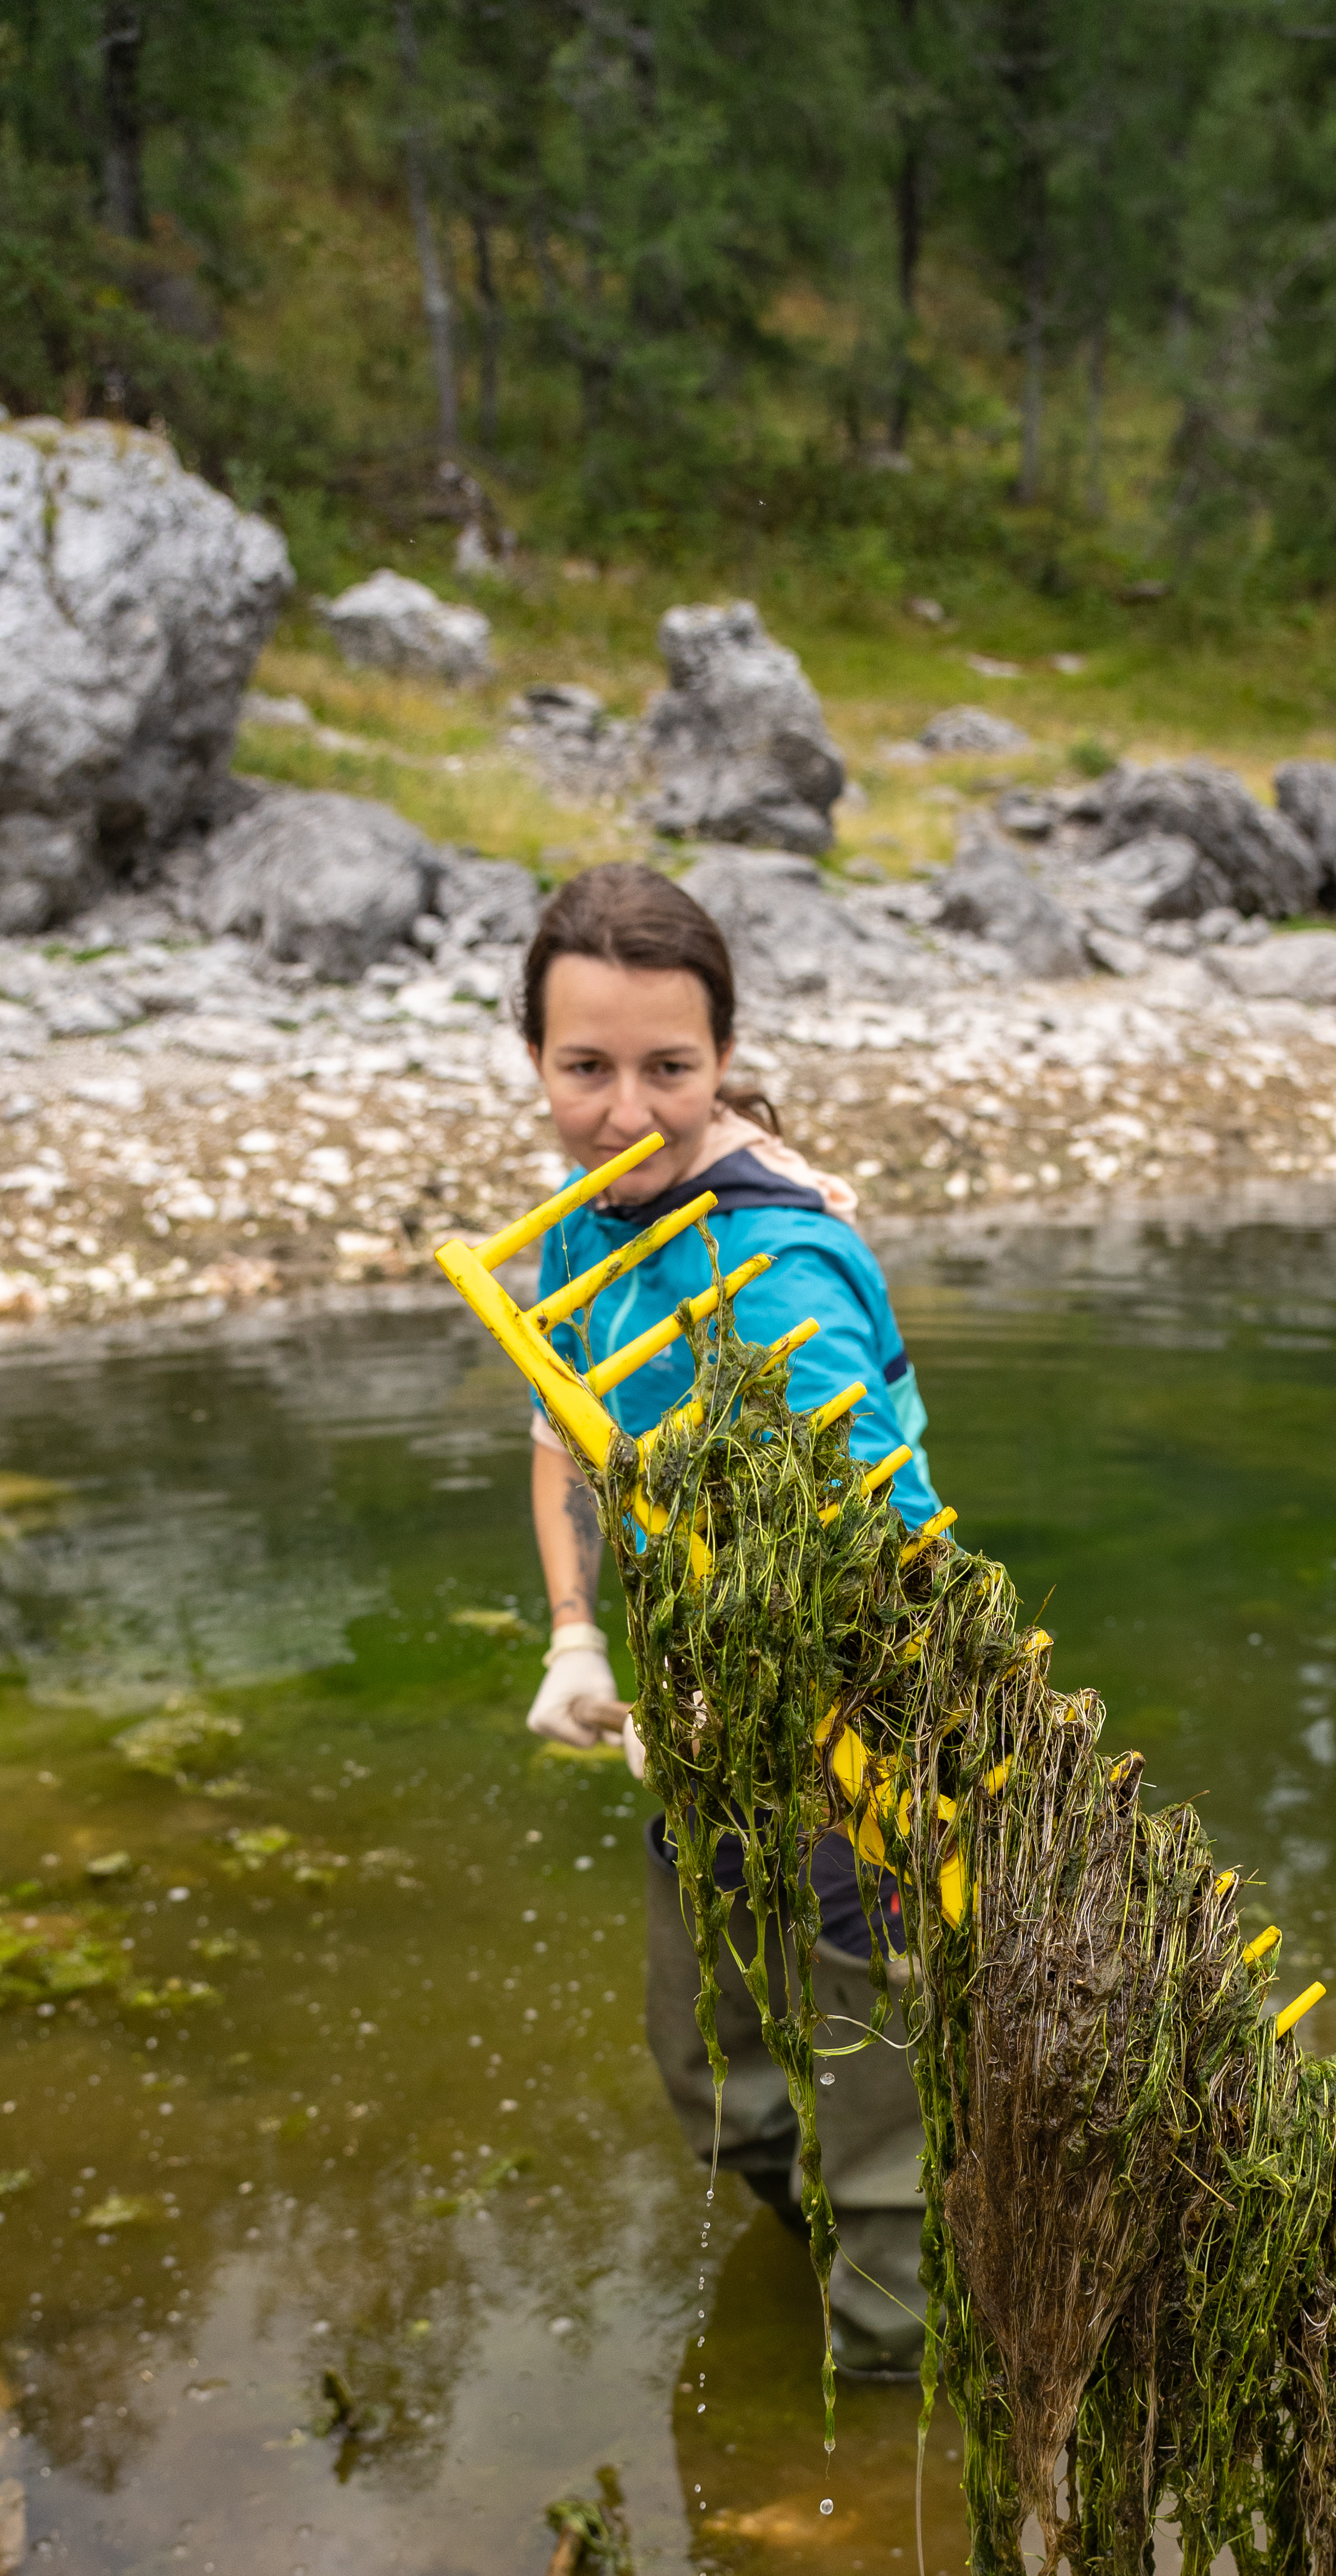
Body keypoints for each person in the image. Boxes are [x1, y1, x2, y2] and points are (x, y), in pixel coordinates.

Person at [516, 861, 935, 2379]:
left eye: (670, 1070)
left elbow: (876, 1545)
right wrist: (580, 1639)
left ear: (724, 1061)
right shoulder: (581, 1229)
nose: (626, 1111)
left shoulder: (784, 1274)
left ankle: (895, 2452)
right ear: (538, 1064)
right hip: (701, 1715)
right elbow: (566, 1425)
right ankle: (838, 2242)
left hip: (855, 1741)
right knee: (717, 2083)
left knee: (882, 2159)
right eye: (588, 1067)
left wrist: (745, 1698)